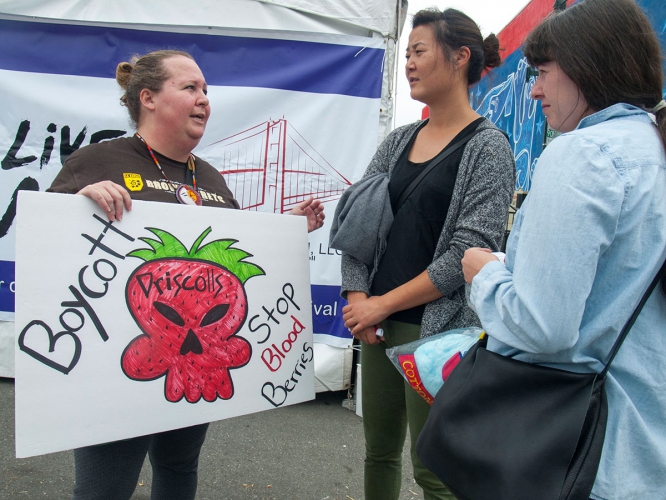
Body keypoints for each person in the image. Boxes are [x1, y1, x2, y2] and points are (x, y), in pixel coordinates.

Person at [47, 49, 324, 500]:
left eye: (206, 91)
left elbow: (234, 255)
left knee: (179, 470)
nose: (204, 99)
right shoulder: (95, 162)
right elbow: (46, 244)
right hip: (112, 370)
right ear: (149, 98)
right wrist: (78, 201)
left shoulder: (211, 178)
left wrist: (284, 226)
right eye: (190, 88)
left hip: (196, 361)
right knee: (104, 489)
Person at [461, 0, 666, 498]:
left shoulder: (585, 155)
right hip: (639, 449)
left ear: (587, 69)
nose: (533, 90)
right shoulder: (651, 151)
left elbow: (543, 325)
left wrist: (484, 273)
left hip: (575, 452)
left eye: (543, 72)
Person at [339, 8, 515, 500]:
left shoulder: (488, 148)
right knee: (378, 452)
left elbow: (468, 252)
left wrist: (382, 303)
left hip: (439, 331)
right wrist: (360, 302)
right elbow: (358, 225)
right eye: (408, 54)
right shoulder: (397, 141)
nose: (409, 64)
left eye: (419, 52)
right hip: (376, 324)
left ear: (460, 58)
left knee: (434, 468)